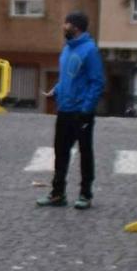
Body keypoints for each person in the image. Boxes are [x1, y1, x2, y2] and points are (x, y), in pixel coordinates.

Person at [36, 11, 105, 210]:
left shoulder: (90, 50)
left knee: (85, 153)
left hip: (81, 112)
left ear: (76, 27)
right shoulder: (67, 49)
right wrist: (56, 90)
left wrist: (87, 108)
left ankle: (85, 194)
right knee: (60, 152)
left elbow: (97, 82)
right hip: (64, 109)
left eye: (66, 24)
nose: (63, 27)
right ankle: (58, 194)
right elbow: (68, 78)